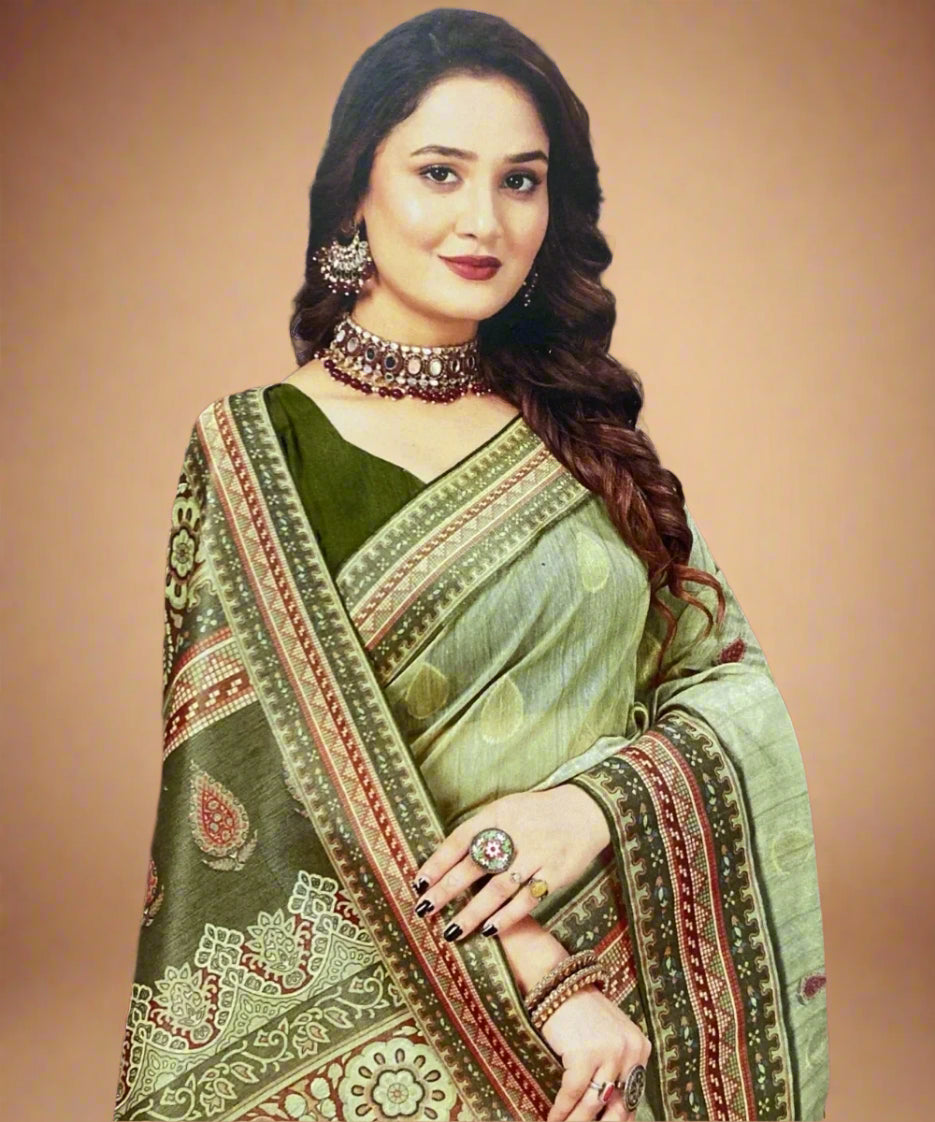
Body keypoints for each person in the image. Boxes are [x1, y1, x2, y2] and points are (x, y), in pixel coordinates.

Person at [112, 9, 829, 1121]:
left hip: (621, 1027)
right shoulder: (254, 449)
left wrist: (589, 811)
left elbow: (721, 680)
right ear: (355, 191)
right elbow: (291, 794)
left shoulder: (580, 436)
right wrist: (543, 978)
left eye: (521, 181)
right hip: (412, 1022)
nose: (482, 219)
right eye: (438, 172)